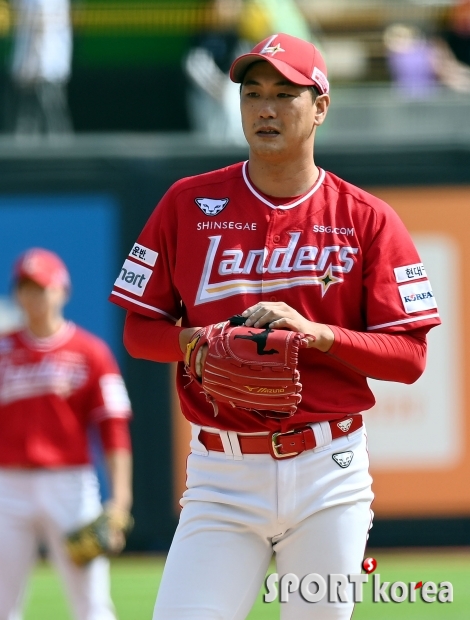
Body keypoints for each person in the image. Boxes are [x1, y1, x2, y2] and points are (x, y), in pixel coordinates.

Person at [110, 33, 441, 619]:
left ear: (320, 107)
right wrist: (199, 342)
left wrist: (318, 334)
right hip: (222, 473)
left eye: (286, 93)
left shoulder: (366, 218)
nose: (265, 107)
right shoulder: (187, 204)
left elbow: (410, 359)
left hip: (328, 475)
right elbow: (140, 333)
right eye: (253, 92)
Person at [0, 248, 133, 620]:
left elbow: (114, 428)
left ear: (62, 290)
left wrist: (120, 502)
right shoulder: (2, 350)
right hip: (7, 485)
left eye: (41, 287)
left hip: (70, 485)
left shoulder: (90, 352)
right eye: (25, 287)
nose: (32, 296)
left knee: (91, 601)